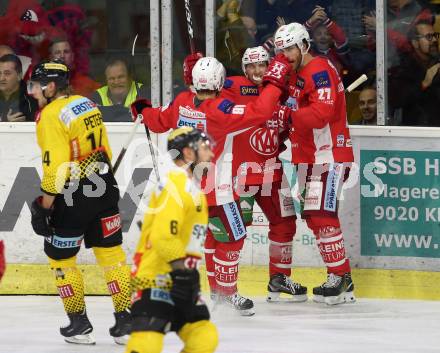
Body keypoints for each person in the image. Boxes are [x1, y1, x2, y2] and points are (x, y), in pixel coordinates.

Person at [130, 55, 291, 315]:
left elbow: (159, 120)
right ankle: (228, 292)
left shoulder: (183, 102)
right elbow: (260, 112)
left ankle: (216, 289)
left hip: (187, 191)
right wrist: (274, 84)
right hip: (218, 191)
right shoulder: (220, 110)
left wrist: (142, 110)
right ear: (219, 82)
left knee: (213, 237)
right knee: (234, 237)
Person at [28, 59, 132, 344]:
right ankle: (126, 322)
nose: (32, 91)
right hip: (105, 187)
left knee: (60, 258)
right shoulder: (86, 104)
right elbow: (105, 150)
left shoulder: (50, 115)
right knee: (112, 256)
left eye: (35, 85)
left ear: (51, 86)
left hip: (74, 195)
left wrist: (44, 207)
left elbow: (56, 169)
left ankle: (79, 324)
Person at [274, 22, 356, 305]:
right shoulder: (297, 73)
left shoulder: (319, 70)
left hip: (329, 155)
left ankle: (341, 276)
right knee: (314, 216)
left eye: (290, 48)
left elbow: (321, 113)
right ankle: (340, 275)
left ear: (304, 45)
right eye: (281, 50)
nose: (285, 55)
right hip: (309, 157)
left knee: (322, 214)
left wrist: (286, 115)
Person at [218, 46, 307, 302]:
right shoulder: (234, 86)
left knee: (286, 223)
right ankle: (226, 288)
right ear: (244, 68)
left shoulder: (281, 89)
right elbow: (208, 96)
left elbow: (292, 122)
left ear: (271, 67)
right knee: (234, 233)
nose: (257, 71)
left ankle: (278, 278)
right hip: (241, 176)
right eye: (251, 66)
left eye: (262, 65)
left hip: (272, 173)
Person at [125, 127, 218, 353]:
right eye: (205, 148)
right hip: (153, 277)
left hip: (181, 278)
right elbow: (164, 236)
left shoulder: (190, 187)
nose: (211, 154)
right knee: (147, 342)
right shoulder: (175, 185)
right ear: (188, 153)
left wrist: (185, 276)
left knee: (203, 337)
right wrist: (183, 273)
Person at [388, 19, 440, 126]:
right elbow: (397, 100)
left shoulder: (437, 63)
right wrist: (424, 84)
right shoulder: (403, 67)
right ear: (415, 43)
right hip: (414, 132)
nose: (434, 40)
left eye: (435, 35)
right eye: (429, 37)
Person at [0, 54, 38, 121]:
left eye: (7, 73)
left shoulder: (31, 100)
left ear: (19, 76)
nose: (1, 78)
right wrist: (4, 122)